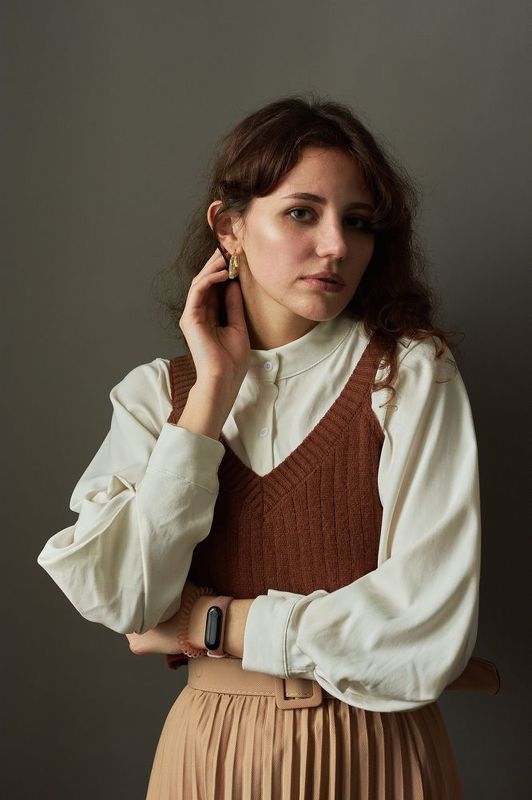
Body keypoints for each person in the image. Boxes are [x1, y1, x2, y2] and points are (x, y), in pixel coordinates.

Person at [37, 93, 487, 798]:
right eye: (302, 213)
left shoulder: (408, 374)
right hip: (209, 752)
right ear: (231, 227)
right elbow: (125, 599)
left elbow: (423, 626)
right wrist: (211, 393)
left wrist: (208, 622)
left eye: (358, 222)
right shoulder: (156, 395)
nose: (336, 246)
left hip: (374, 750)